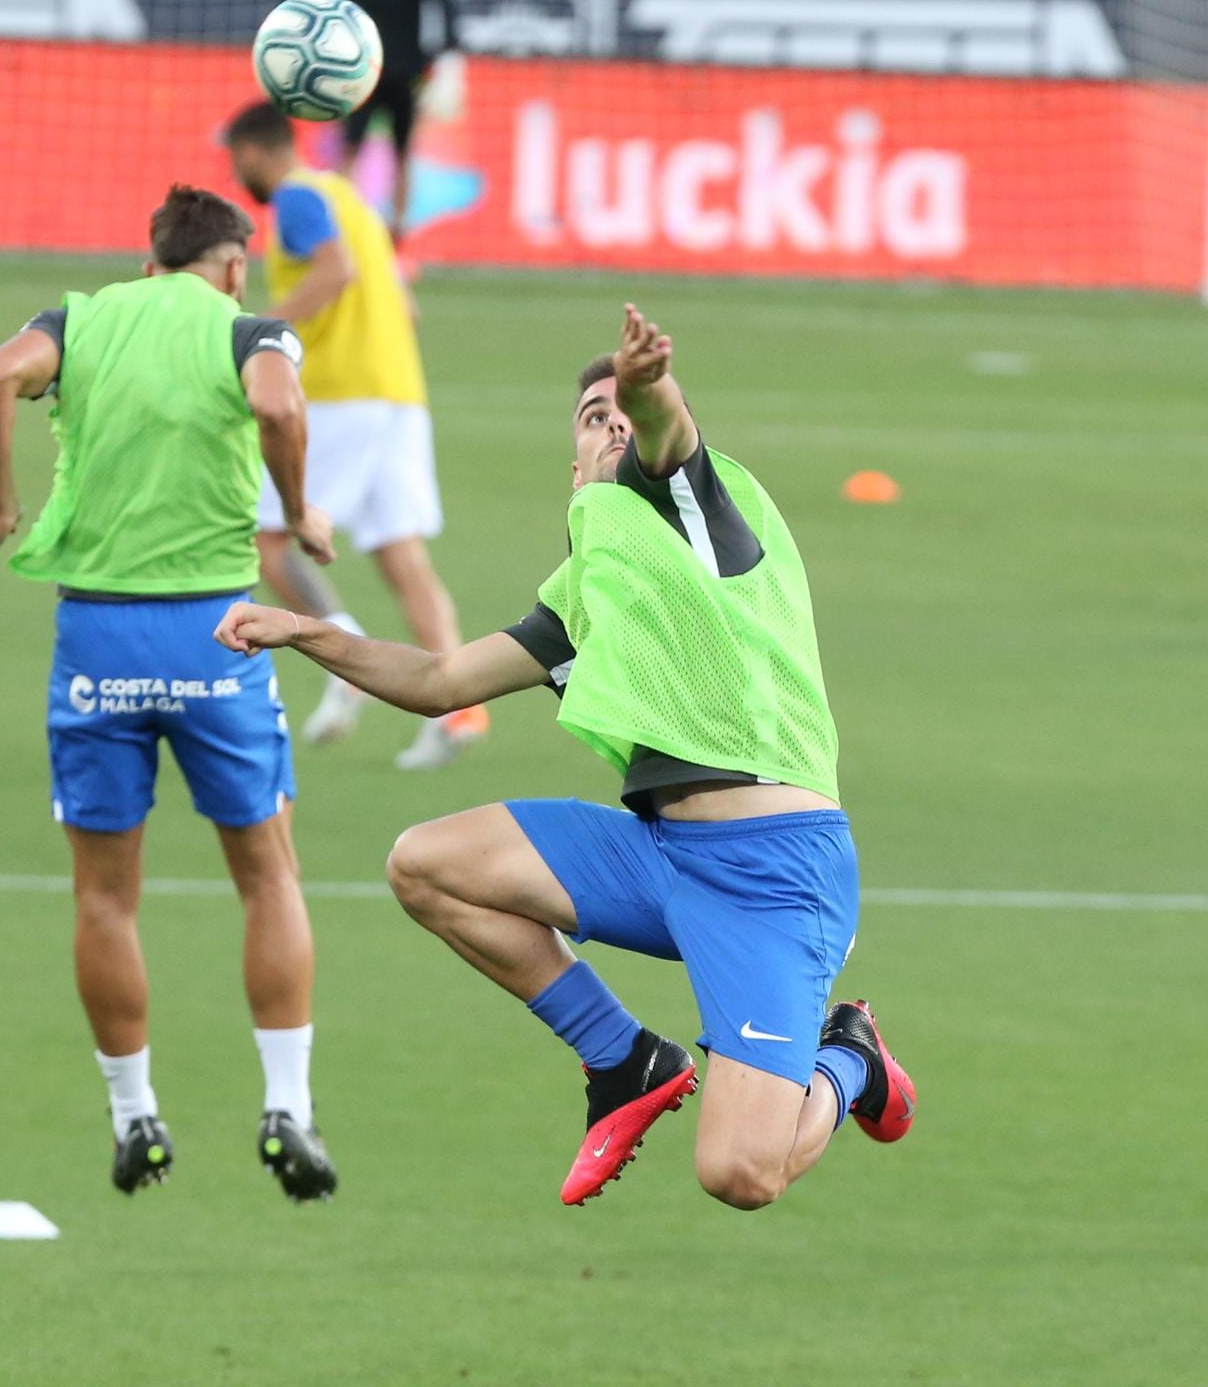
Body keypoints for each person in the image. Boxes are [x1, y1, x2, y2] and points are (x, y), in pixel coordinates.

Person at [216, 304, 916, 1211]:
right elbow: (438, 679)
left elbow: (664, 428)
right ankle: (625, 1059)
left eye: (624, 413)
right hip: (664, 859)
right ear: (574, 467)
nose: (614, 424)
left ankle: (849, 1061)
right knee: (426, 866)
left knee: (741, 1174)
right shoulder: (584, 597)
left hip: (778, 879)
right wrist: (306, 631)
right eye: (594, 418)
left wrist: (645, 384)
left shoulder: (690, 506)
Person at [0, 184, 340, 1203]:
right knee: (269, 876)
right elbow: (274, 401)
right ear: (230, 265)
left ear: (149, 265)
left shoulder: (78, 321)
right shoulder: (247, 328)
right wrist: (299, 511)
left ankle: (135, 1116)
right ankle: (287, 1108)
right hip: (215, 631)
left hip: (97, 634)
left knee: (103, 894)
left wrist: (5, 508)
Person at [224, 100, 487, 770]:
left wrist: (261, 333)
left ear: (254, 152)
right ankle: (461, 709)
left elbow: (334, 271)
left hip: (342, 395)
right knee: (403, 555)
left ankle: (340, 652)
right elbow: (405, 305)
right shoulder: (353, 199)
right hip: (400, 391)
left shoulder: (298, 198)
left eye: (235, 161)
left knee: (269, 539)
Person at [332, 0, 456, 240]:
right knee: (351, 144)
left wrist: (443, 61)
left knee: (403, 148)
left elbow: (443, 7)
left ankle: (397, 228)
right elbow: (335, 3)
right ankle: (341, 222)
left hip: (406, 66)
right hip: (361, 66)